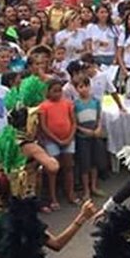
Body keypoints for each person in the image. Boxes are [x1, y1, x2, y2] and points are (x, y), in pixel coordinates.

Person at [38, 79, 76, 210]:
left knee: (69, 167)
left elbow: (73, 122)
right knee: (53, 169)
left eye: (60, 90)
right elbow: (43, 126)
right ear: (48, 92)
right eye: (54, 91)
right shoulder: (44, 106)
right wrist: (56, 139)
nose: (58, 93)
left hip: (68, 139)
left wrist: (69, 137)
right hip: (51, 141)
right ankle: (53, 197)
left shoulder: (67, 103)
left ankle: (70, 193)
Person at [72, 75, 102, 202]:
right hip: (82, 137)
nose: (84, 89)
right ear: (76, 89)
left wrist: (98, 128)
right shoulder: (75, 104)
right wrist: (85, 131)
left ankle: (94, 186)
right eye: (80, 87)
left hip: (94, 135)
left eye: (86, 86)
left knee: (94, 163)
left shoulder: (95, 101)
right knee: (85, 164)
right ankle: (86, 190)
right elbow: (75, 123)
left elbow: (99, 117)